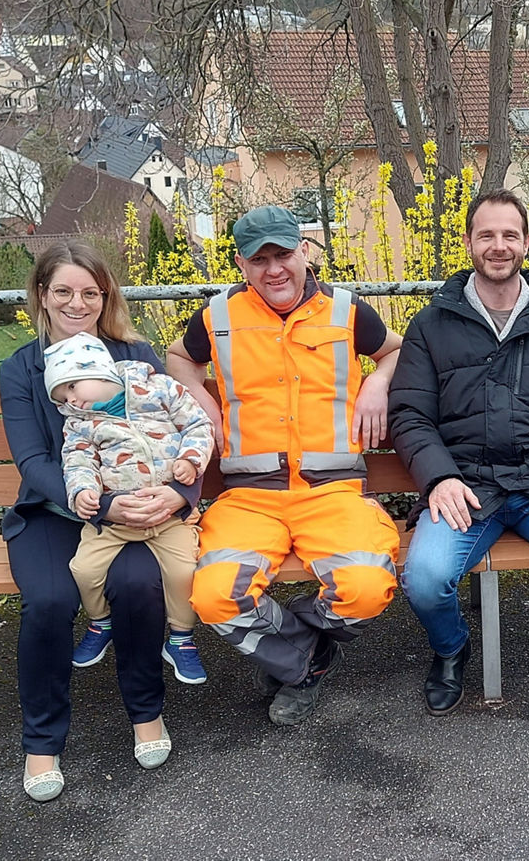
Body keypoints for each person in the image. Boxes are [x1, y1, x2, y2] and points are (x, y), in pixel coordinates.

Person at [388, 189, 529, 767]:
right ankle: (452, 649)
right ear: (468, 243)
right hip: (469, 488)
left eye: (509, 235)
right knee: (425, 576)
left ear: (526, 242)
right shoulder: (431, 324)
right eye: (486, 235)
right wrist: (437, 478)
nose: (498, 246)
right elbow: (410, 416)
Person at [166, 205, 402, 727]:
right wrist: (204, 405)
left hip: (334, 493)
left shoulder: (347, 311)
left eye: (283, 254)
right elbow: (179, 357)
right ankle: (309, 659)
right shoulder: (217, 316)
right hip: (251, 498)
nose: (275, 269)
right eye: (259, 259)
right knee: (213, 595)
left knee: (366, 587)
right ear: (241, 264)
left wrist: (379, 383)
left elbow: (394, 351)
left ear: (304, 252)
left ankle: (292, 652)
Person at [0, 241, 202, 802]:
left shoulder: (134, 355)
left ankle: (146, 714)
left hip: (138, 510)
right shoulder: (22, 367)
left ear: (104, 296)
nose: (76, 303)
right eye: (62, 291)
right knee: (48, 600)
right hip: (55, 511)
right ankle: (42, 743)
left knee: (139, 583)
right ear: (42, 296)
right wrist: (99, 503)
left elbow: (180, 425)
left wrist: (179, 496)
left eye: (90, 292)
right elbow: (33, 461)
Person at [43, 331, 214, 686]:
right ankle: (100, 622)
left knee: (185, 571)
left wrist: (190, 463)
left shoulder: (159, 390)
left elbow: (197, 425)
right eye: (63, 396)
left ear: (101, 370)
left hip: (170, 518)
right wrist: (84, 492)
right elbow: (76, 462)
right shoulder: (79, 424)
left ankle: (181, 638)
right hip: (114, 523)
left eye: (73, 386)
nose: (72, 400)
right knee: (84, 568)